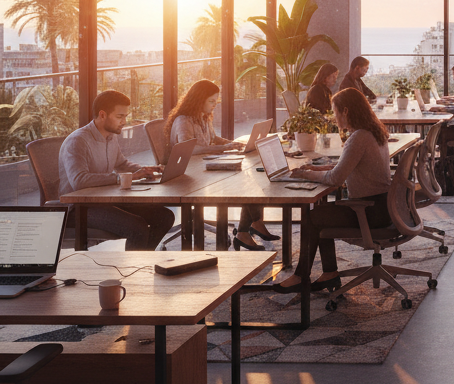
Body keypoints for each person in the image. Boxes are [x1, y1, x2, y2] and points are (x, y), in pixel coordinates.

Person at [273, 88, 393, 291]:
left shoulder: (358, 138)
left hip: (368, 212)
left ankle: (302, 276)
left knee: (313, 217)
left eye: (335, 111)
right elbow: (347, 166)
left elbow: (336, 179)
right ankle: (329, 273)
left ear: (345, 111)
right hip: (384, 207)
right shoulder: (372, 132)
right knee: (321, 214)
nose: (333, 116)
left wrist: (305, 174)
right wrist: (316, 168)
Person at [165, 79, 277, 250]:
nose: (214, 105)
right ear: (198, 100)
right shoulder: (184, 121)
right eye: (211, 101)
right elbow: (190, 150)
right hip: (190, 173)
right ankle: (249, 227)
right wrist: (223, 148)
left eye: (215, 100)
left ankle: (246, 229)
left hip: (205, 165)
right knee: (244, 182)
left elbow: (213, 139)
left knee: (250, 177)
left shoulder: (203, 117)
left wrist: (231, 144)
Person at [58, 90, 175, 251]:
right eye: (120, 117)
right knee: (137, 227)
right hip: (79, 208)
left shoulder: (110, 136)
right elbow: (79, 181)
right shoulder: (78, 141)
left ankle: (142, 261)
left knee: (164, 216)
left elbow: (122, 163)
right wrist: (123, 178)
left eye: (125, 116)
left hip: (104, 201)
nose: (124, 121)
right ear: (103, 115)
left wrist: (144, 169)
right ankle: (135, 270)